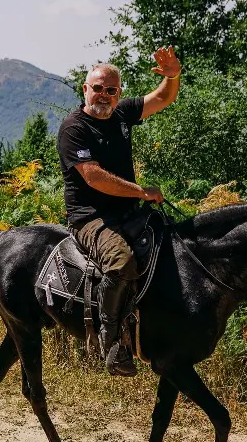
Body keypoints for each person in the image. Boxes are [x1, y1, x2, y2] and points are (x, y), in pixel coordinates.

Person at [56, 47, 181, 376]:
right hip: (91, 218)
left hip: (130, 213)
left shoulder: (122, 114)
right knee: (122, 262)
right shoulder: (74, 128)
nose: (104, 95)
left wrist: (172, 76)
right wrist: (141, 191)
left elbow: (161, 99)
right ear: (85, 89)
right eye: (97, 88)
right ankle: (109, 341)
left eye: (111, 90)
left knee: (173, 245)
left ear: (118, 93)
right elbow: (93, 176)